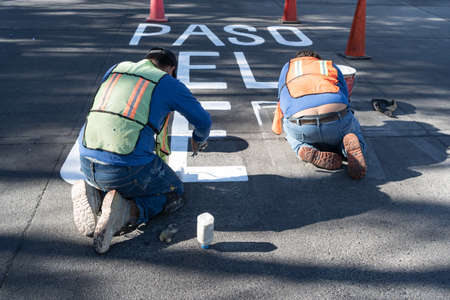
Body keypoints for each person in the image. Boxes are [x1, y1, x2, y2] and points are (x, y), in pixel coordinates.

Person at [71, 48, 211, 253]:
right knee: (174, 192)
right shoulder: (167, 82)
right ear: (171, 69)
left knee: (118, 170)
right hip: (124, 167)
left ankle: (93, 190)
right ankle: (127, 212)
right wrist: (198, 139)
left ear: (147, 60)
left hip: (86, 158)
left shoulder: (115, 69)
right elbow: (204, 121)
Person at [272, 50, 367, 179]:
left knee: (289, 130)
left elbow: (281, 101)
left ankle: (302, 148)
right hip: (336, 120)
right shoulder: (329, 65)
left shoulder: (288, 68)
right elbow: (346, 97)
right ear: (317, 60)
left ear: (297, 60)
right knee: (351, 125)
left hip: (303, 126)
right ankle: (347, 148)